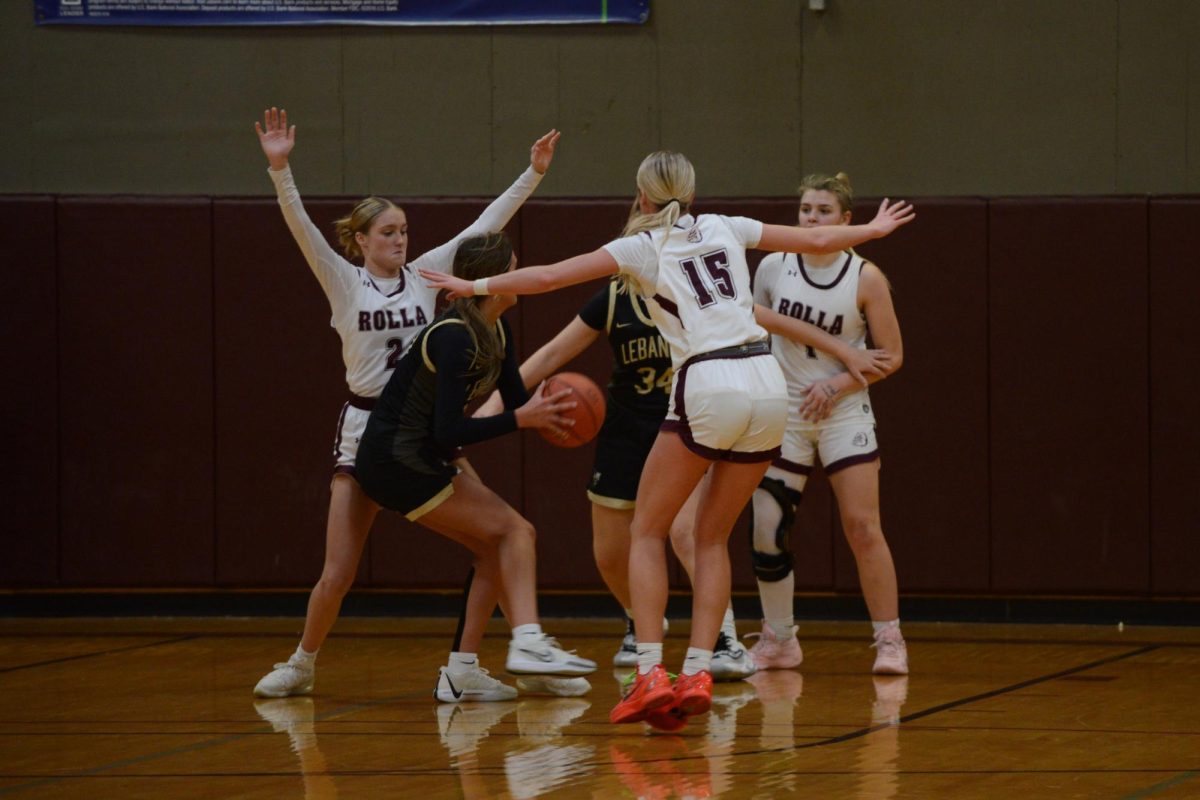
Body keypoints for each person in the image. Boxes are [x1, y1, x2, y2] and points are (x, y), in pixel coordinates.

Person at [420, 150, 913, 729]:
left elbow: (549, 276)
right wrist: (875, 229)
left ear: (643, 197)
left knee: (649, 530)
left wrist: (472, 281)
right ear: (693, 193)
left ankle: (651, 673)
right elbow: (813, 242)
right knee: (711, 538)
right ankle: (700, 670)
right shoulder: (726, 226)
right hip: (767, 382)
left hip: (708, 379)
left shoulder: (642, 245)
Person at [250, 106, 561, 698]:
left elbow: (482, 231)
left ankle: (465, 669)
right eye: (387, 232)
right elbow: (301, 230)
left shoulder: (423, 276)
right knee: (338, 571)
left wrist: (533, 174)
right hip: (364, 427)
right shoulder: (343, 280)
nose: (399, 239)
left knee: (499, 538)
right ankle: (301, 663)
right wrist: (280, 170)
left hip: (419, 427)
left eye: (403, 231)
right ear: (362, 240)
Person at [357, 231, 598, 704]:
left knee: (495, 549)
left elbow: (515, 402)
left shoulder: (497, 330)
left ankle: (461, 673)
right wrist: (522, 420)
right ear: (491, 279)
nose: (521, 277)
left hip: (424, 452)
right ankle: (529, 642)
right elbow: (450, 430)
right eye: (514, 267)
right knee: (516, 532)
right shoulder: (453, 338)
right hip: (397, 458)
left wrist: (548, 410)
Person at [746, 172, 908, 675]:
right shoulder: (773, 267)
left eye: (821, 211)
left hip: (842, 410)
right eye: (805, 210)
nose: (811, 218)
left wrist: (837, 384)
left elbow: (893, 356)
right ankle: (780, 640)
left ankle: (889, 638)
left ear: (845, 220)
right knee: (767, 528)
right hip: (785, 411)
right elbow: (753, 331)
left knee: (862, 526)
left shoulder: (867, 277)